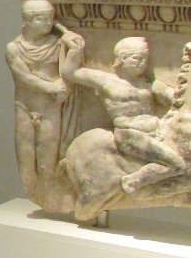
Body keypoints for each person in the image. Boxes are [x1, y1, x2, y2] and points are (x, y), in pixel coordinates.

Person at [63, 36, 185, 194]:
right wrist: (74, 50)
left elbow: (176, 98)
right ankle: (132, 182)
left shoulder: (148, 83)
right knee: (177, 165)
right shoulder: (106, 81)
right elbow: (70, 72)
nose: (142, 63)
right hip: (130, 134)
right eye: (137, 58)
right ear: (122, 58)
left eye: (145, 59)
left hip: (156, 131)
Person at [5, 0, 83, 200]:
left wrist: (65, 32)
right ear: (27, 20)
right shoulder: (14, 48)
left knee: (48, 153)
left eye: (51, 19)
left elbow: (67, 72)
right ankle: (34, 191)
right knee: (26, 153)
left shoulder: (57, 44)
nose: (48, 23)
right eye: (42, 19)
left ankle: (51, 195)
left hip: (50, 106)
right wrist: (50, 86)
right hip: (25, 105)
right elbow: (24, 76)